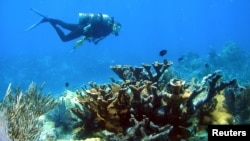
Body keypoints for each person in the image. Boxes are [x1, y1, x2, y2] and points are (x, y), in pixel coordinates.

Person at [26, 9, 121, 49]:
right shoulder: (107, 25)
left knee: (65, 25)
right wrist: (87, 30)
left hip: (82, 29)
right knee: (64, 39)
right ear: (115, 25)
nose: (116, 31)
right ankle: (49, 20)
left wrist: (84, 39)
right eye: (117, 29)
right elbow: (97, 21)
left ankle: (48, 19)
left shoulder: (107, 31)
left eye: (117, 31)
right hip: (82, 29)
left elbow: (94, 35)